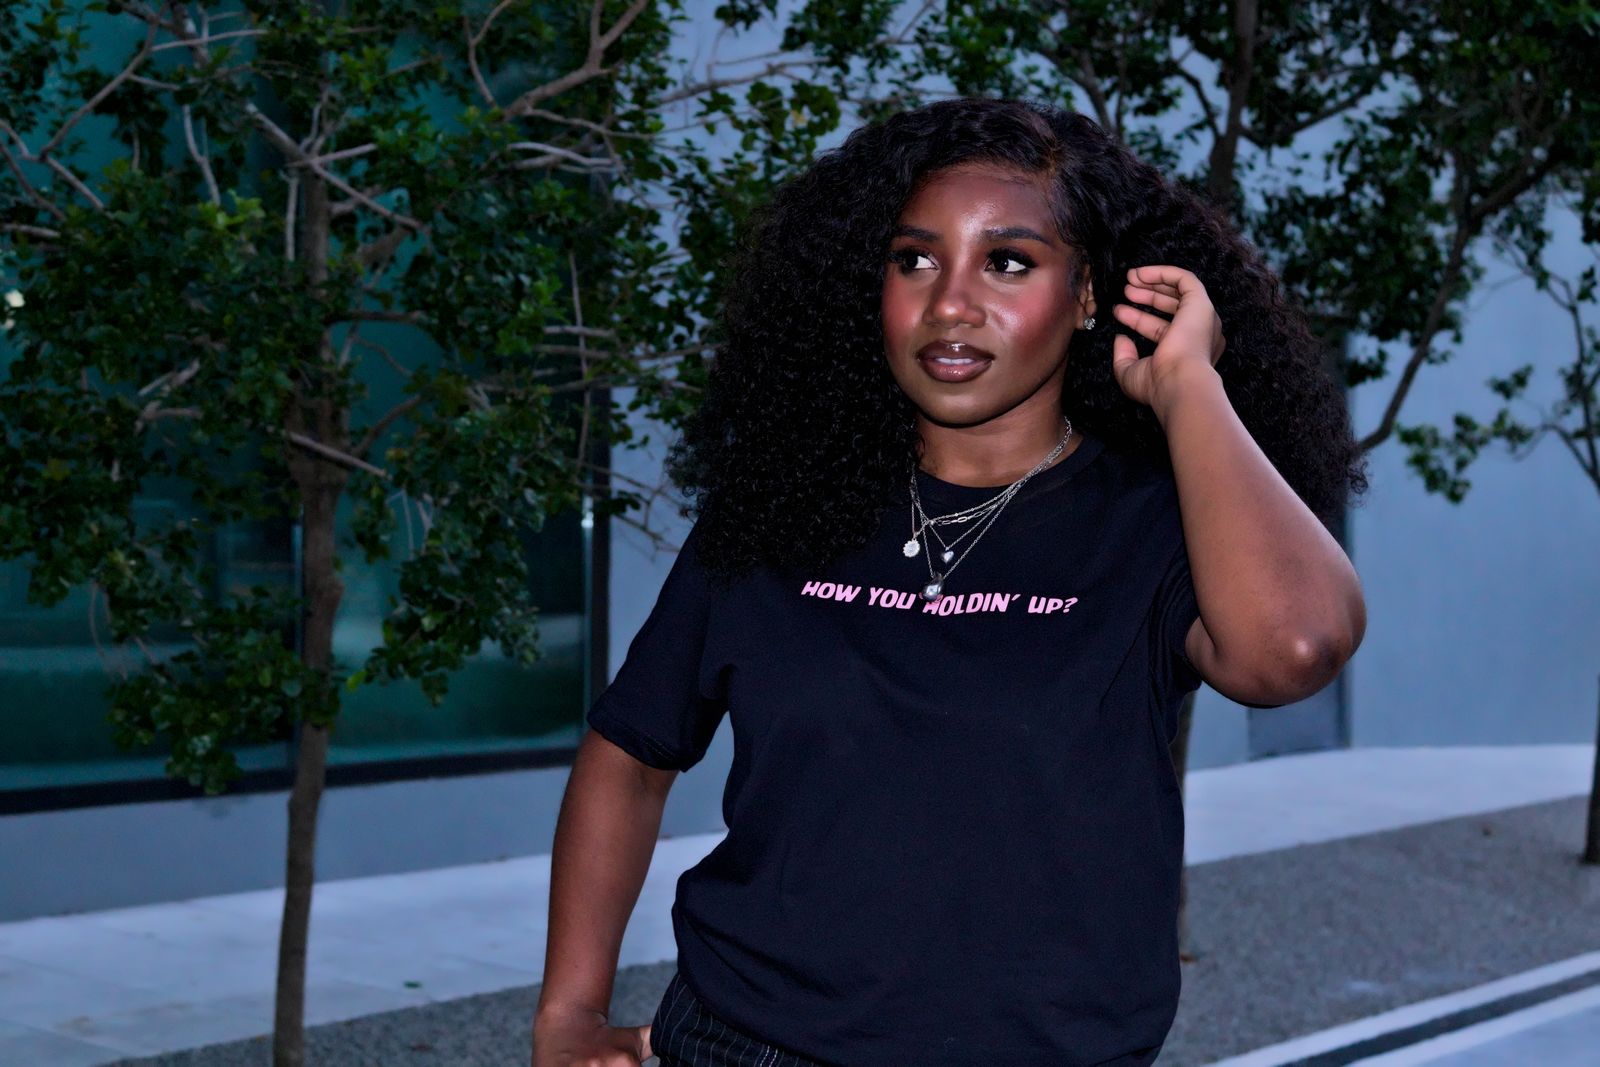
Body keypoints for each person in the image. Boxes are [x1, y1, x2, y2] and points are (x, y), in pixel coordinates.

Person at [531, 96, 1368, 1067]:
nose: (950, 303)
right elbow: (630, 754)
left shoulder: (1155, 520)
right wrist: (569, 1012)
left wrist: (1189, 386)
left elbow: (1294, 647)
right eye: (914, 259)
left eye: (1007, 261)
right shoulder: (781, 508)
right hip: (746, 1042)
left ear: (1088, 294)